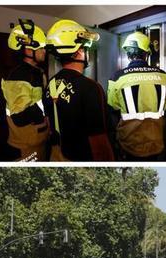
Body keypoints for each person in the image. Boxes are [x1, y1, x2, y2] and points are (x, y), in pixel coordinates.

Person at [45, 19, 114, 161]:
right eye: (85, 47)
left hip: (55, 156)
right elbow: (99, 140)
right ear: (79, 52)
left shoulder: (50, 85)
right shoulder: (91, 88)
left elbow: (48, 122)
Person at [106, 31, 166, 160]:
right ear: (147, 53)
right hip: (157, 143)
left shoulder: (117, 77)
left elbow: (112, 111)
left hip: (128, 144)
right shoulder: (164, 76)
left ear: (128, 54)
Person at [2, 19, 50, 161]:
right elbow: (20, 117)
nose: (44, 51)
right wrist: (48, 102)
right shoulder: (18, 76)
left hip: (38, 139)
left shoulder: (37, 71)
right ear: (29, 50)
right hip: (25, 145)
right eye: (41, 47)